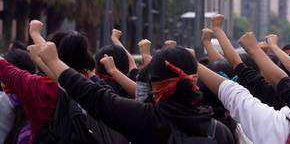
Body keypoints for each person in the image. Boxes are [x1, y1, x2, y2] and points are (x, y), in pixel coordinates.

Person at [37, 42, 235, 144]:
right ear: (195, 80)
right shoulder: (220, 131)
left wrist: (54, 61)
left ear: (155, 86)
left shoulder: (144, 118)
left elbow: (94, 96)